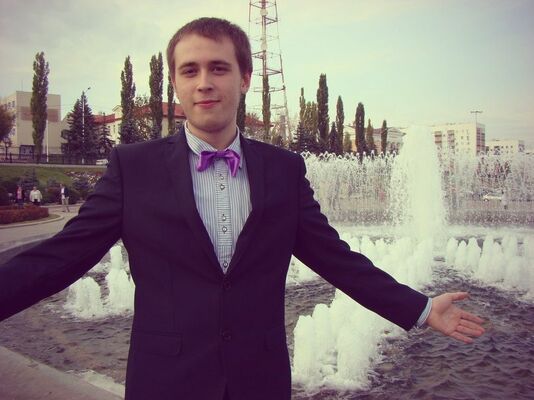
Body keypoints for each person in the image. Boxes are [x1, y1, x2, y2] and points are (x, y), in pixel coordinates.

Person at [0, 18, 484, 400]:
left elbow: (337, 259)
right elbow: (63, 255)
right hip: (165, 382)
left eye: (219, 68)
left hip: (260, 381)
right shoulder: (133, 167)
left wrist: (420, 309)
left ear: (245, 78)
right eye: (190, 70)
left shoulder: (284, 170)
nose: (204, 83)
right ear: (175, 83)